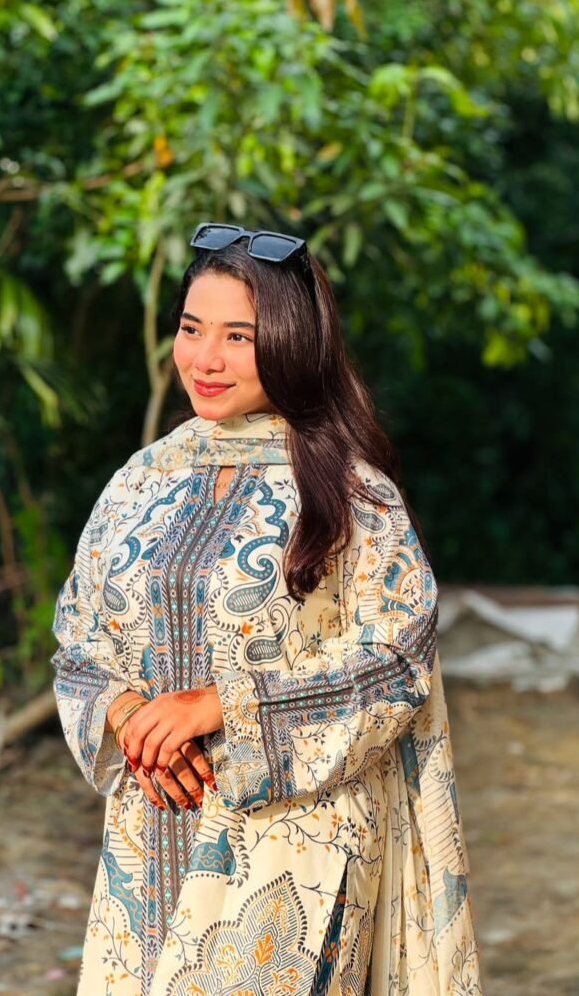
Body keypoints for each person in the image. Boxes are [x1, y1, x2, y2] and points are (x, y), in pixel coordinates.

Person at [51, 222, 482, 995]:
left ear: (289, 343)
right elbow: (79, 642)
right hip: (150, 836)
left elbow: (395, 664)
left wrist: (217, 706)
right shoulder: (141, 481)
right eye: (192, 328)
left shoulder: (352, 494)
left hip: (294, 854)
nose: (204, 359)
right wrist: (129, 714)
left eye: (238, 337)